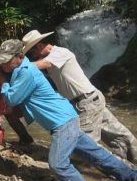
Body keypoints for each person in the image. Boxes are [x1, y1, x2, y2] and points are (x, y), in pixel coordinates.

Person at [0, 39, 137, 181]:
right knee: (96, 154)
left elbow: (12, 99)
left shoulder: (27, 71)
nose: (3, 64)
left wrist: (1, 77)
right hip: (67, 117)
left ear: (20, 56)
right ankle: (132, 175)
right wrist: (1, 70)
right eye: (2, 60)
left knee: (58, 165)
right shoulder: (19, 68)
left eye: (7, 60)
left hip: (63, 122)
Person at [22, 30, 137, 164]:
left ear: (39, 45)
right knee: (119, 134)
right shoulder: (54, 55)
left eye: (32, 52)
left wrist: (16, 66)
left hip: (86, 102)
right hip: (89, 100)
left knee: (86, 146)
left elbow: (42, 65)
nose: (32, 55)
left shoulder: (59, 53)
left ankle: (123, 169)